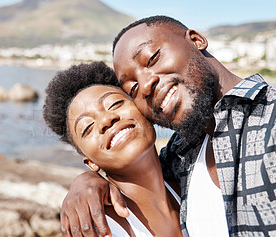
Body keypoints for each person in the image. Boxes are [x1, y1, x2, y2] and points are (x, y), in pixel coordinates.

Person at [61, 15, 276, 236]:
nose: (146, 84)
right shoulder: (183, 155)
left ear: (196, 40)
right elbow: (136, 172)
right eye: (132, 87)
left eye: (152, 58)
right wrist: (88, 182)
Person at [43, 61, 184, 236]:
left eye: (114, 104)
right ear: (91, 163)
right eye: (87, 127)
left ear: (144, 111)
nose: (105, 121)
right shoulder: (101, 227)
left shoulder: (186, 185)